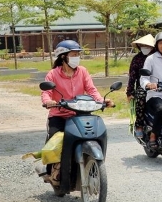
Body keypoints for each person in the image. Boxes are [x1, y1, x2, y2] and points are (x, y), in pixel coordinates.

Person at [40, 40, 112, 182]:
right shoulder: (53, 74)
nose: (77, 57)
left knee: (97, 133)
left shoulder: (82, 71)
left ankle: (93, 163)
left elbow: (91, 89)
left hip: (80, 114)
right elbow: (46, 93)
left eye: (78, 54)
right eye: (73, 54)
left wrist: (102, 101)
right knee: (55, 138)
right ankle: (53, 170)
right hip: (59, 115)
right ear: (63, 57)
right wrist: (48, 101)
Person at [126, 34, 155, 136]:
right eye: (142, 45)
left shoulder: (158, 57)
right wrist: (129, 92)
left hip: (160, 84)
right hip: (143, 86)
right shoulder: (137, 59)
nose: (145, 47)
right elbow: (132, 76)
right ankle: (139, 125)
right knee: (141, 97)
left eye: (147, 45)